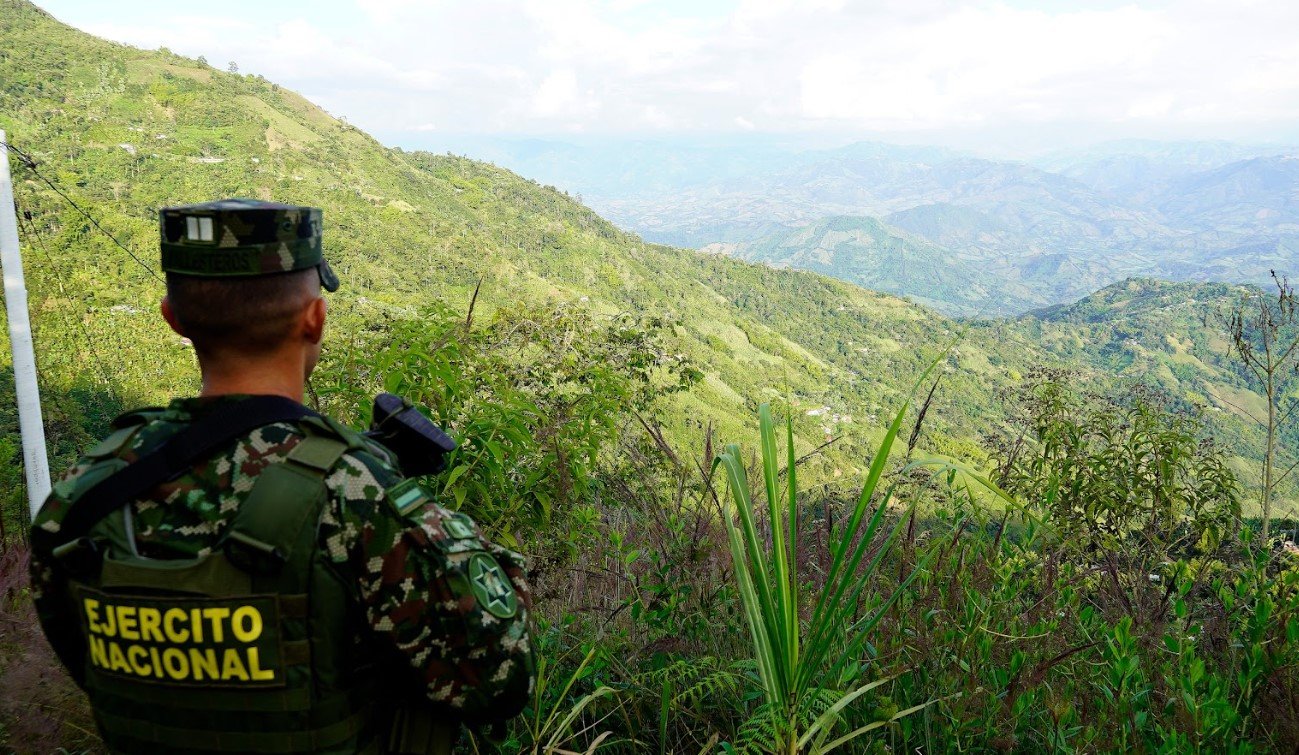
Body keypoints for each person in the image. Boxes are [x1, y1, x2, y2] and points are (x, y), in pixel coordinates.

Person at [28, 199, 535, 754]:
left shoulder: (84, 489)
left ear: (173, 319)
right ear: (315, 318)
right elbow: (501, 681)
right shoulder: (356, 494)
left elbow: (82, 659)